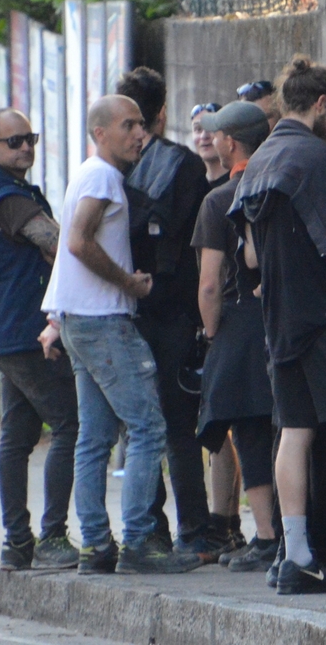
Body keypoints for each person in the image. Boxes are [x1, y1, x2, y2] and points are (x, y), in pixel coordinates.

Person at [39, 95, 201, 575]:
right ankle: (137, 542)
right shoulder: (103, 177)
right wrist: (128, 283)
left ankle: (95, 546)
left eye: (141, 125)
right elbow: (77, 242)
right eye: (128, 125)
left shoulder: (91, 173)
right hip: (104, 322)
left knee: (94, 438)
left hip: (81, 320)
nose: (139, 134)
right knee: (148, 428)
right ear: (100, 133)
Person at [230, 57, 326, 595]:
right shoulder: (316, 158)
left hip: (278, 319)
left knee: (295, 431)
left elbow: (250, 257)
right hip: (324, 315)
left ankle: (295, 552)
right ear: (321, 104)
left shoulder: (259, 160)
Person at [0, 108, 79, 572]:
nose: (26, 147)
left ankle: (17, 543)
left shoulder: (4, 191)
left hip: (8, 333)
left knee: (18, 435)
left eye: (29, 138)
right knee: (71, 423)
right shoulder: (8, 198)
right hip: (26, 334)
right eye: (14, 141)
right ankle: (51, 537)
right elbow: (59, 244)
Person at [116, 67, 218, 561]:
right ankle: (194, 531)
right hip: (176, 309)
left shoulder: (109, 169)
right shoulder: (186, 166)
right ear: (161, 113)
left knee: (138, 427)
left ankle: (149, 528)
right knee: (179, 427)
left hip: (123, 309)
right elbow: (202, 246)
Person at [191, 101, 278, 573]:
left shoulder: (218, 200)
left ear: (228, 142)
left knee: (249, 432)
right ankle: (299, 529)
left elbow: (209, 284)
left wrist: (211, 332)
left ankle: (266, 536)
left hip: (240, 325)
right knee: (293, 428)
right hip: (288, 318)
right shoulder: (282, 185)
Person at [191, 103, 227, 186]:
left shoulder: (240, 183)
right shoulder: (189, 184)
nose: (204, 136)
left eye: (211, 128)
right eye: (198, 129)